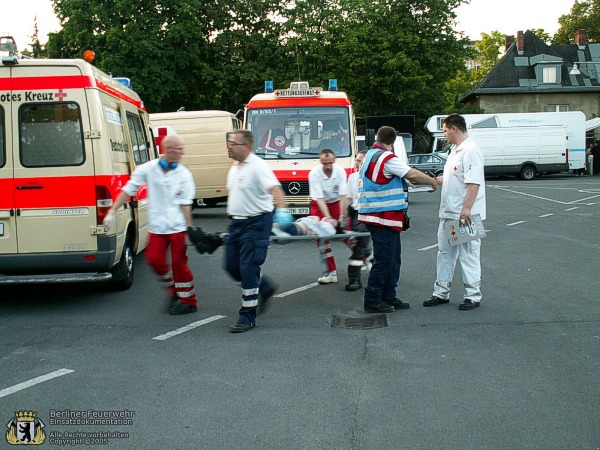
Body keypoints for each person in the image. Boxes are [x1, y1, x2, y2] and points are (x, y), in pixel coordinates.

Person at [103, 134, 198, 315]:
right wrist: (112, 211)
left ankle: (189, 300)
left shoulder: (184, 174)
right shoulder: (148, 168)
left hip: (177, 227)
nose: (181, 153)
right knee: (154, 260)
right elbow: (128, 189)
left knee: (180, 265)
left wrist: (190, 229)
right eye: (178, 149)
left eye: (182, 149)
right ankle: (173, 290)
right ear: (167, 149)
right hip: (157, 226)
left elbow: (186, 204)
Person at [358, 126, 438, 313]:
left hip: (379, 215)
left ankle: (388, 296)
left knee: (392, 259)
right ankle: (373, 299)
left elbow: (381, 178)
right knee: (385, 260)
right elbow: (411, 173)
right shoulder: (386, 157)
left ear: (377, 138)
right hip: (382, 215)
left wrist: (402, 181)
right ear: (392, 143)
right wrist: (432, 181)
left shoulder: (370, 155)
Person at [224, 130, 293, 333]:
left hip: (256, 223)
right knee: (231, 266)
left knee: (248, 268)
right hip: (236, 224)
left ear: (246, 146)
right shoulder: (235, 166)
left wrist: (281, 211)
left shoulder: (257, 166)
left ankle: (247, 317)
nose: (228, 146)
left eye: (233, 143)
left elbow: (275, 189)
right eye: (228, 142)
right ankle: (265, 287)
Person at [423, 113, 486, 311]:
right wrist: (436, 181)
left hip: (463, 214)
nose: (444, 135)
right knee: (444, 253)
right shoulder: (455, 151)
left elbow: (473, 182)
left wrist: (466, 208)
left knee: (468, 254)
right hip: (450, 213)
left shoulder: (470, 151)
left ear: (454, 129)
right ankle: (441, 292)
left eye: (445, 131)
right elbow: (454, 178)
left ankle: (473, 295)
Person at [308, 148, 348, 284]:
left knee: (345, 233)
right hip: (318, 204)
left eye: (330, 163)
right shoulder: (314, 173)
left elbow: (343, 196)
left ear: (334, 161)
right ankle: (331, 272)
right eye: (325, 163)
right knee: (321, 235)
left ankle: (366, 259)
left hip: (335, 202)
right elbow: (319, 200)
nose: (327, 166)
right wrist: (328, 219)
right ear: (321, 162)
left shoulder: (340, 171)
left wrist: (342, 216)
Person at [345, 150, 372, 291]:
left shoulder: (372, 177)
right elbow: (349, 199)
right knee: (360, 243)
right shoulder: (352, 177)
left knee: (361, 244)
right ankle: (355, 278)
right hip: (357, 213)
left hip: (371, 212)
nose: (357, 163)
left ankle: (356, 277)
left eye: (360, 160)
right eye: (356, 160)